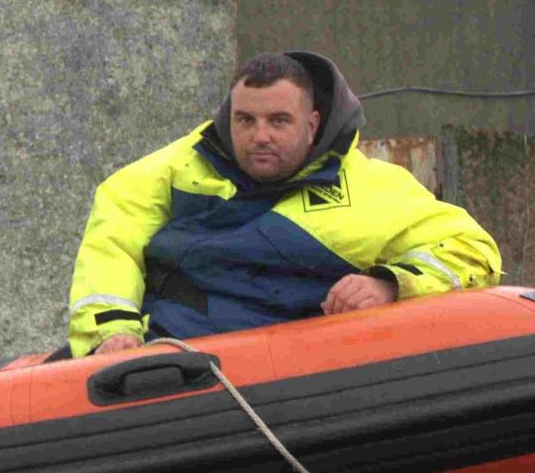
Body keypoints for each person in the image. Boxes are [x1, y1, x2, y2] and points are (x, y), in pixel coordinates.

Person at [68, 50, 499, 358]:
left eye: (278, 121)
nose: (260, 136)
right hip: (172, 358)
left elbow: (471, 250)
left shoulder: (370, 188)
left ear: (312, 124)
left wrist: (389, 284)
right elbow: (113, 246)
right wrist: (113, 332)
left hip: (293, 375)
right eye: (245, 120)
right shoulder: (176, 168)